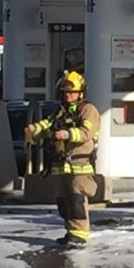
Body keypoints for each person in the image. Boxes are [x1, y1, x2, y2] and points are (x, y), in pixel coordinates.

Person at [24, 70, 101, 249]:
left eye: (72, 92)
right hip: (62, 164)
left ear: (80, 93)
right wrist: (34, 128)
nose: (68, 95)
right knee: (63, 202)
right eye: (65, 92)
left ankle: (80, 235)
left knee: (77, 200)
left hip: (79, 163)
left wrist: (67, 134)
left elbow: (86, 132)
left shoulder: (89, 110)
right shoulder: (61, 111)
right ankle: (70, 231)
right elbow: (49, 124)